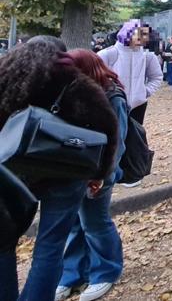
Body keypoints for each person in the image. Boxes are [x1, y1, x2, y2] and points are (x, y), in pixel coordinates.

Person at [0, 37, 118, 301]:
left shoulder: (6, 78)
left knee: (3, 240)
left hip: (12, 172)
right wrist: (100, 173)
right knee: (50, 247)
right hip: (66, 174)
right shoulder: (77, 83)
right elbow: (108, 128)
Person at [55, 49, 129, 301]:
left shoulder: (112, 97)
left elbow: (117, 144)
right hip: (75, 170)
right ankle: (72, 274)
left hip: (100, 171)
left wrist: (101, 175)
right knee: (75, 223)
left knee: (95, 223)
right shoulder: (74, 93)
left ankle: (105, 271)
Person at [98, 20, 162, 125]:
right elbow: (95, 76)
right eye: (141, 33)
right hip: (112, 103)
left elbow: (156, 77)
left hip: (138, 105)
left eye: (146, 34)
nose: (144, 38)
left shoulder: (148, 57)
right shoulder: (107, 54)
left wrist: (145, 91)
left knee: (134, 138)